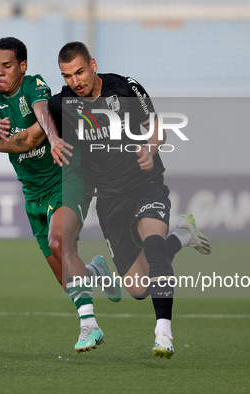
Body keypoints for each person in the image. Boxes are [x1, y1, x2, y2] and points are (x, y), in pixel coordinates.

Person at [49, 41, 211, 358]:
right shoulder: (63, 102)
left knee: (153, 244)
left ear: (93, 64)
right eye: (67, 76)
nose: (75, 81)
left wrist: (149, 149)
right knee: (138, 288)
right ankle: (183, 235)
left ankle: (163, 333)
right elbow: (35, 126)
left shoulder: (125, 86)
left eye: (79, 71)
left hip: (144, 183)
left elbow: (157, 129)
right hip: (109, 201)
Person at [0, 37, 121, 303]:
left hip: (63, 180)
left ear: (22, 66)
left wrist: (53, 136)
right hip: (32, 191)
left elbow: (42, 112)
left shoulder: (33, 84)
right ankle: (97, 271)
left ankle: (89, 326)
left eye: (6, 65)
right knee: (67, 283)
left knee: (58, 243)